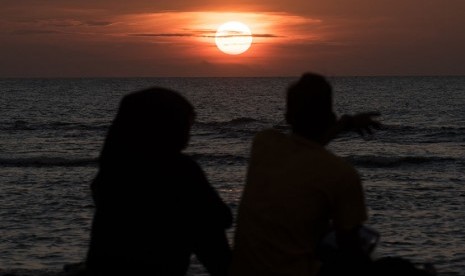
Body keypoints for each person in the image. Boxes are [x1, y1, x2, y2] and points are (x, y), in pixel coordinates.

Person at [229, 73, 381, 276]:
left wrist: (343, 125)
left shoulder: (263, 143)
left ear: (288, 117)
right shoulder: (340, 174)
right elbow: (350, 249)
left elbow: (306, 147)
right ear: (330, 117)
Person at [85, 87, 233, 276]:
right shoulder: (179, 171)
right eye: (185, 124)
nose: (189, 133)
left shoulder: (112, 175)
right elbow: (215, 223)